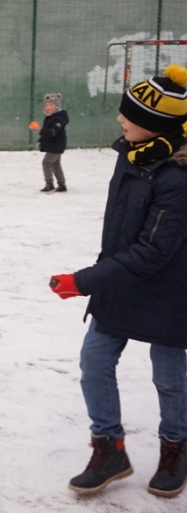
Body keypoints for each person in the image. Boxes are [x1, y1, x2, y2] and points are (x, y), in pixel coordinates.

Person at [50, 64, 187, 499]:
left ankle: (176, 446)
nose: (120, 119)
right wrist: (103, 273)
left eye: (129, 115)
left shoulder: (177, 176)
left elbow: (153, 251)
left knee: (168, 376)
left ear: (155, 124)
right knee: (94, 362)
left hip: (170, 289)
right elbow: (121, 231)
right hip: (121, 277)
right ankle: (109, 448)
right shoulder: (132, 154)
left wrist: (84, 281)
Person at [35, 92, 69, 193]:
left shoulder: (59, 118)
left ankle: (49, 184)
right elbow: (47, 132)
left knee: (46, 163)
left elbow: (53, 132)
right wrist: (41, 141)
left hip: (56, 145)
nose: (48, 107)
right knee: (55, 164)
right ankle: (62, 185)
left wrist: (39, 130)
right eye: (47, 105)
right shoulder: (50, 117)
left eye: (51, 105)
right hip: (53, 145)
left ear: (57, 106)